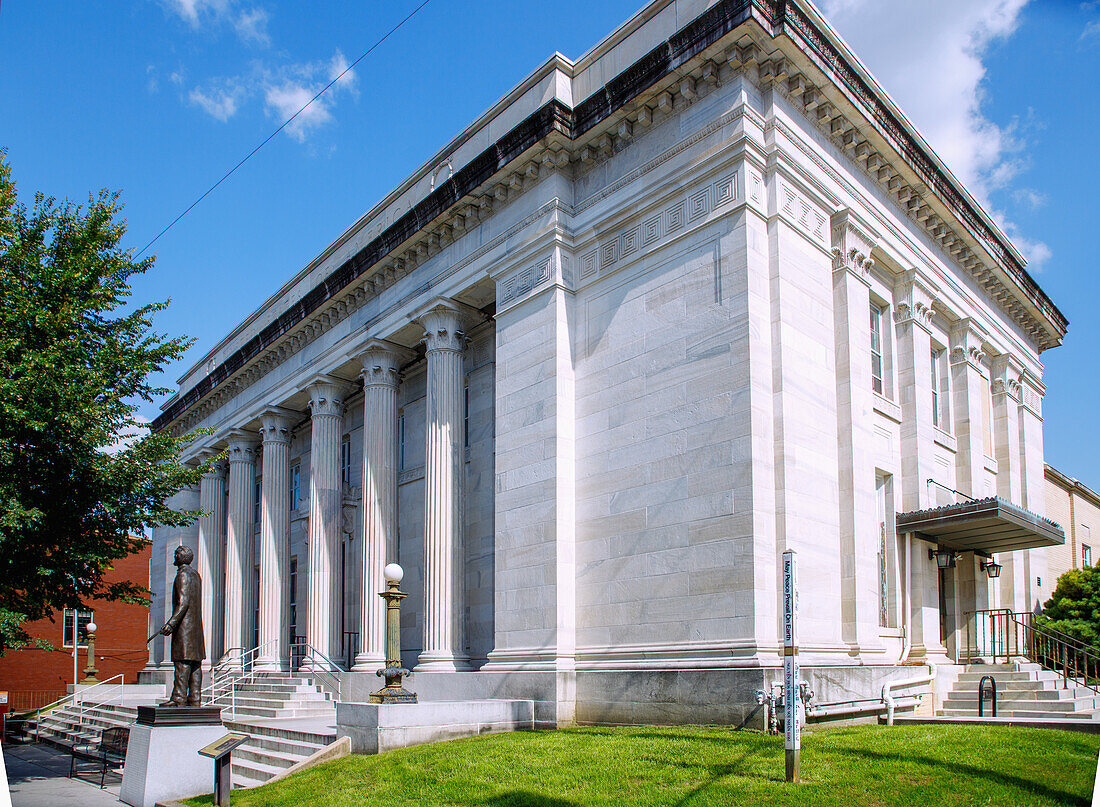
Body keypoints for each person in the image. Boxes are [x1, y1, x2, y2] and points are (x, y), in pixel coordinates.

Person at [160, 544, 206, 706]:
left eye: (176, 553)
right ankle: (195, 698)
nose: (174, 556)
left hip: (185, 627)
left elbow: (183, 602)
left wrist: (171, 624)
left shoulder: (183, 575)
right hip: (196, 629)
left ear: (180, 557)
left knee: (182, 663)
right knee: (195, 665)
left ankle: (178, 698)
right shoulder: (196, 575)